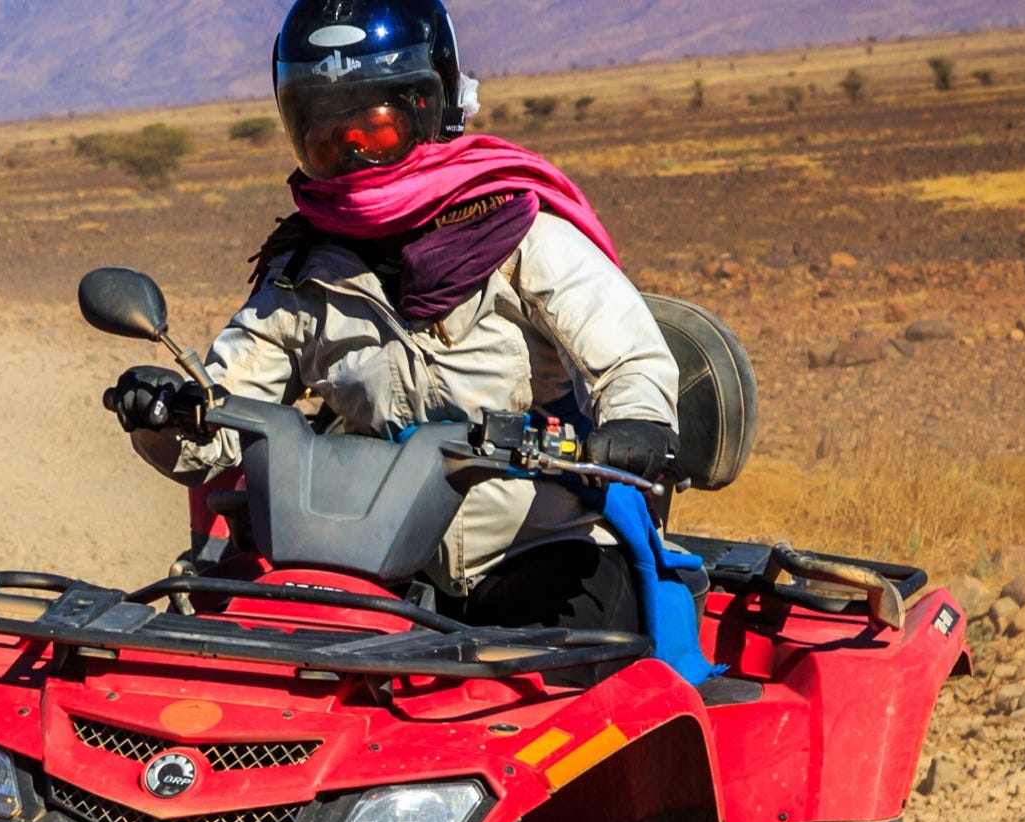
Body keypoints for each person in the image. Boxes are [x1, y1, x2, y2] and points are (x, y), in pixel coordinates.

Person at [101, 0, 683, 643]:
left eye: (373, 129)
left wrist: (637, 423)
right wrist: (165, 416)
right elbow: (221, 428)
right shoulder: (303, 276)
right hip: (379, 570)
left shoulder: (523, 237)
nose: (351, 152)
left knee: (571, 709)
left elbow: (630, 357)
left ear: (427, 109)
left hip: (545, 551)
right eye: (327, 135)